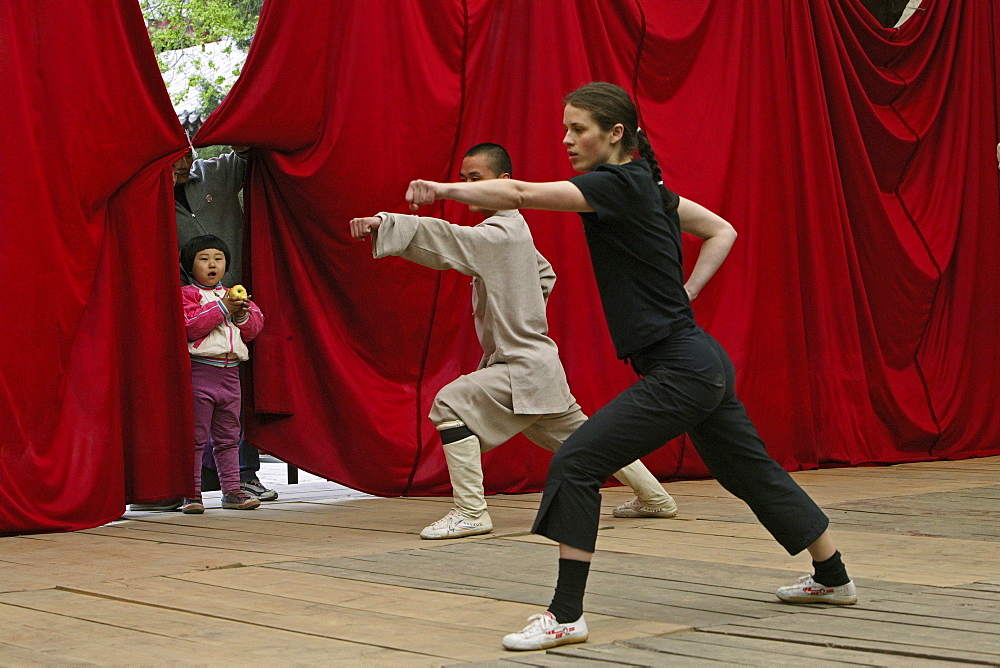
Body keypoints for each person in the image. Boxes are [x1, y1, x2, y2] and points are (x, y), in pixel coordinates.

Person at [404, 83, 856, 652]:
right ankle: (833, 577)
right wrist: (686, 294)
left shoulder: (616, 183)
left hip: (682, 367)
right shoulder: (649, 185)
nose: (566, 139)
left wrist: (441, 188)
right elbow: (723, 230)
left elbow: (518, 191)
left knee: (576, 461)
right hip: (697, 358)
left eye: (578, 129)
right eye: (564, 128)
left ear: (615, 134)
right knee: (749, 471)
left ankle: (565, 614)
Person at [349, 143, 682, 540]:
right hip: (537, 362)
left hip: (522, 364)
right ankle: (655, 497)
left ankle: (471, 511)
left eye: (476, 180)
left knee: (450, 403)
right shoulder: (516, 228)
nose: (467, 187)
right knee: (585, 438)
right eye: (463, 180)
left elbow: (447, 239)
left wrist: (384, 223)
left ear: (504, 183)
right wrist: (521, 307)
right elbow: (545, 273)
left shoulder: (499, 234)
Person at [130, 145, 277, 511]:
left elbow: (247, 152)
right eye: (171, 157)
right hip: (180, 322)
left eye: (185, 154)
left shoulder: (214, 173)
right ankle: (184, 489)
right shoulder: (143, 192)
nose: (181, 164)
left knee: (231, 423)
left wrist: (239, 311)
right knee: (193, 426)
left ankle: (239, 481)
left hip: (231, 345)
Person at [178, 235, 264, 513]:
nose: (212, 264)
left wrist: (241, 313)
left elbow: (253, 330)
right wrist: (224, 307)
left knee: (229, 437)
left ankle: (232, 490)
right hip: (201, 372)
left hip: (230, 374)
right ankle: (191, 493)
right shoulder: (186, 294)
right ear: (190, 266)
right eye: (204, 259)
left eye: (218, 258)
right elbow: (190, 326)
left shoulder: (235, 293)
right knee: (195, 437)